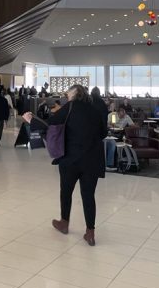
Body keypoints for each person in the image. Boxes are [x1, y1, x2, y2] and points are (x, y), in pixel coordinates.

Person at [32, 84, 106, 246]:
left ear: (76, 93)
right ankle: (90, 232)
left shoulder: (70, 107)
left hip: (70, 159)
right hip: (92, 160)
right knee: (88, 196)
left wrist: (31, 120)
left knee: (66, 191)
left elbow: (50, 123)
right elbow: (103, 133)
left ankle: (64, 223)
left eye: (69, 91)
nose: (66, 93)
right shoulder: (94, 110)